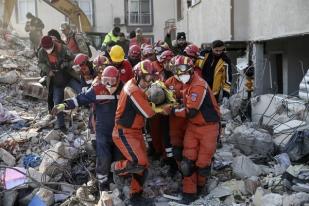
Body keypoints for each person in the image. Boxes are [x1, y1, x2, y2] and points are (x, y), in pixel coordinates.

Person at [51, 66, 123, 198]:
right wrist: (63, 105)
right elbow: (80, 99)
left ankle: (117, 180)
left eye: (113, 81)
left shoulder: (123, 88)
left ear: (118, 79)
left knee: (119, 157)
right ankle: (103, 185)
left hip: (119, 131)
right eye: (106, 80)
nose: (109, 84)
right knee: (103, 158)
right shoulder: (97, 89)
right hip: (102, 131)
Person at [111, 60, 170, 205]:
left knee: (143, 165)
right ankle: (116, 167)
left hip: (134, 131)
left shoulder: (136, 85)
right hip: (124, 132)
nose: (149, 82)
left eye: (151, 78)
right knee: (140, 162)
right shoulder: (133, 90)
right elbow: (147, 112)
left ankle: (136, 194)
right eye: (147, 78)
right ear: (138, 76)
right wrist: (163, 109)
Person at [172, 55, 220, 204]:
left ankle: (200, 187)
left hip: (208, 128)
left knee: (203, 164)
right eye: (176, 70)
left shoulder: (198, 86)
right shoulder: (188, 84)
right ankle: (189, 192)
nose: (180, 73)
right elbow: (181, 96)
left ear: (191, 69)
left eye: (182, 70)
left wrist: (172, 111)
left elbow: (190, 111)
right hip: (193, 126)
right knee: (187, 162)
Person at [38, 35, 81, 132]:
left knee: (81, 91)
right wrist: (48, 70)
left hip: (68, 76)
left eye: (49, 47)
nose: (48, 50)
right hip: (56, 81)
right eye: (46, 48)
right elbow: (40, 63)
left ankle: (89, 113)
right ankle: (61, 125)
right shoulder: (42, 52)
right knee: (57, 102)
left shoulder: (62, 48)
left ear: (53, 44)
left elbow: (73, 60)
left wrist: (66, 64)